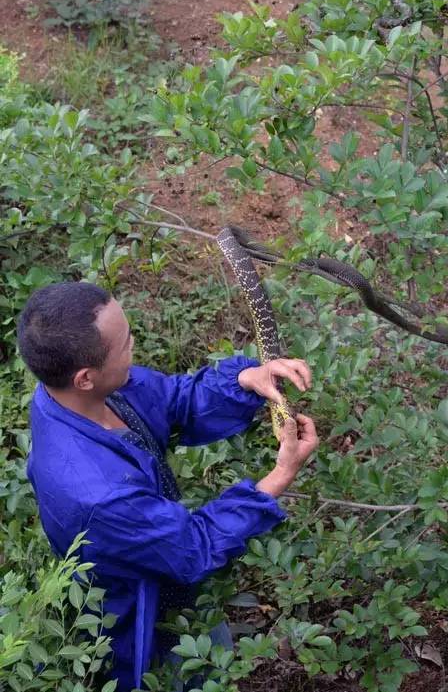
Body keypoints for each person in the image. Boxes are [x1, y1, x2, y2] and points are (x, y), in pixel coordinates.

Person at [17, 281, 319, 691]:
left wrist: (246, 379)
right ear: (85, 377)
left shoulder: (83, 393)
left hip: (165, 570)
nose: (134, 345)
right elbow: (192, 548)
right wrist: (279, 476)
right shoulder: (97, 494)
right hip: (142, 618)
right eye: (125, 344)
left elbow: (172, 400)